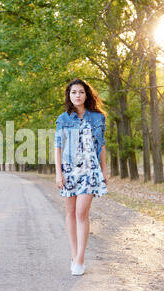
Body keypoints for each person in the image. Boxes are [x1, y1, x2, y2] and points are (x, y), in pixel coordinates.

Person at [54, 78, 108, 276]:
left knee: (81, 213)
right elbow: (58, 147)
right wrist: (58, 173)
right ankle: (74, 253)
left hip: (89, 170)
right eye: (74, 92)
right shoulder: (63, 119)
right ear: (69, 96)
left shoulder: (98, 118)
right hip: (68, 170)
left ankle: (80, 259)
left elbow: (101, 146)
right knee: (69, 213)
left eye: (81, 92)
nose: (77, 95)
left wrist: (103, 170)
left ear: (87, 95)